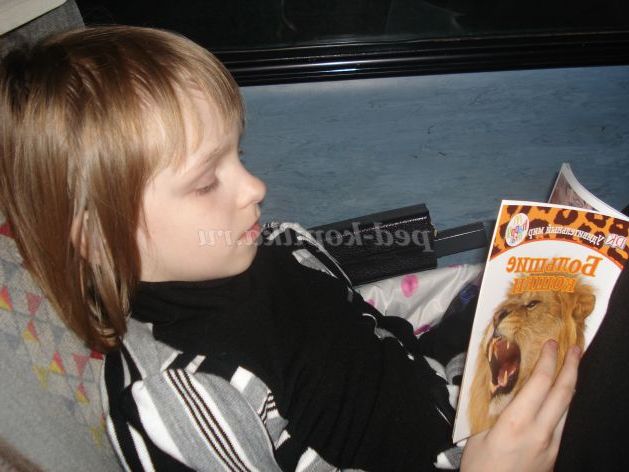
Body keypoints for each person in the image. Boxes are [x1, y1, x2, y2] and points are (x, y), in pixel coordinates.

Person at [0, 25, 582, 471]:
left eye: (239, 156)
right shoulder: (186, 395)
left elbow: (374, 341)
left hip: (453, 400)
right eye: (205, 182)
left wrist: (468, 362)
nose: (255, 188)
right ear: (97, 234)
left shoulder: (281, 249)